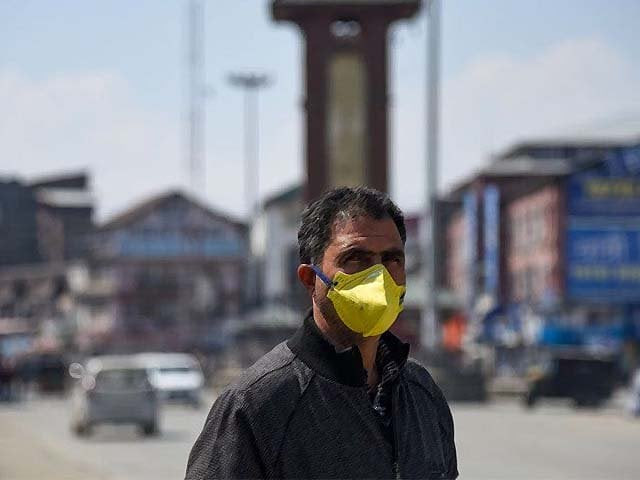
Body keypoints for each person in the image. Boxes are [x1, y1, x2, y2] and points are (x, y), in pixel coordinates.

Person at [186, 186, 458, 479]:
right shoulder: (255, 406)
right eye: (357, 259)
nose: (379, 278)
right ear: (309, 279)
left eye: (392, 259)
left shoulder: (421, 393)